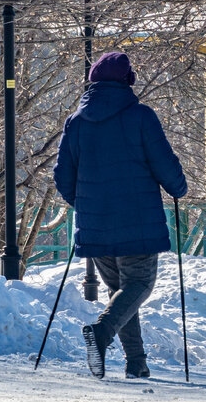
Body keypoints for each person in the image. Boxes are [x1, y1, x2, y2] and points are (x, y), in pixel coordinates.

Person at [53, 51, 188, 379]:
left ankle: (136, 363)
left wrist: (88, 204)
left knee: (121, 296)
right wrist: (178, 187)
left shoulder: (76, 122)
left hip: (95, 226)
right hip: (137, 223)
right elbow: (165, 166)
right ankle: (100, 333)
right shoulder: (141, 117)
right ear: (128, 81)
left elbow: (63, 178)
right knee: (139, 284)